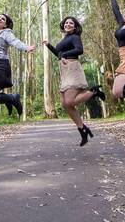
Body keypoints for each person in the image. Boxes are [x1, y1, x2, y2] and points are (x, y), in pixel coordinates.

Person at [42, 16, 105, 146]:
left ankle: (93, 92)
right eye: (66, 22)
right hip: (65, 72)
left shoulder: (75, 37)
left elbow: (79, 50)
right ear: (63, 25)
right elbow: (59, 54)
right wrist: (49, 45)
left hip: (73, 68)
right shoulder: (65, 38)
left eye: (71, 23)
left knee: (70, 102)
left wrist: (64, 55)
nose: (68, 24)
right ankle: (82, 129)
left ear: (75, 27)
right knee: (65, 104)